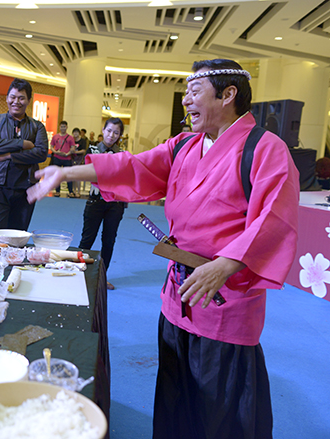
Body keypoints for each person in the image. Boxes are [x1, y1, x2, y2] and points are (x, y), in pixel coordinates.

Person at [27, 59, 300, 439]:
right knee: (175, 394)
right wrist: (67, 172)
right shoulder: (186, 144)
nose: (186, 100)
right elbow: (133, 165)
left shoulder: (265, 149)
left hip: (224, 297)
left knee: (217, 408)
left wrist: (223, 265)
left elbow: (273, 219)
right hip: (178, 292)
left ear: (228, 95)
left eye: (194, 92)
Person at [0, 77, 48, 240]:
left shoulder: (37, 126)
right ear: (7, 98)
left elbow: (41, 153)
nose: (16, 101)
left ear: (28, 101)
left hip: (25, 189)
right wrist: (22, 143)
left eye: (21, 98)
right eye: (12, 97)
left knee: (18, 237)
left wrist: (10, 155)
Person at [78, 118, 127, 290]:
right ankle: (79, 273)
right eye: (109, 131)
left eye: (116, 132)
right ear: (103, 130)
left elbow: (124, 178)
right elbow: (90, 173)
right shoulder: (91, 150)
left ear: (120, 135)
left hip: (115, 204)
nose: (111, 135)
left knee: (109, 241)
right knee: (87, 240)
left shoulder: (123, 154)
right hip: (95, 202)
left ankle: (101, 277)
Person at [49, 121, 76, 198]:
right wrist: (56, 152)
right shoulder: (55, 136)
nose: (63, 128)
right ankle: (57, 191)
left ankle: (70, 191)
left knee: (68, 175)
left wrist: (67, 154)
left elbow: (73, 148)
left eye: (64, 126)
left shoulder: (70, 137)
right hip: (57, 158)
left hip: (67, 158)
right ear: (59, 127)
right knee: (57, 175)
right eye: (61, 126)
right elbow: (51, 146)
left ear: (67, 127)